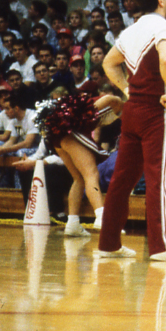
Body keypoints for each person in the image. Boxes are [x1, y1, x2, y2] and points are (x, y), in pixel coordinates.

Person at [97, 0, 166, 262]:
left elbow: (108, 63)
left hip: (132, 111)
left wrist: (126, 89)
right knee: (157, 179)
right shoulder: (165, 27)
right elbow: (165, 59)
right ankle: (162, 247)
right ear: (161, 0)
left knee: (121, 180)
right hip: (156, 111)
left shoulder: (131, 30)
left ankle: (109, 244)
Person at [37, 92, 122, 236]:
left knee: (79, 179)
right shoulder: (113, 103)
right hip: (68, 131)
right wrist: (123, 104)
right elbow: (110, 98)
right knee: (91, 174)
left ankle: (73, 223)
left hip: (57, 136)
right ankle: (102, 217)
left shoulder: (101, 116)